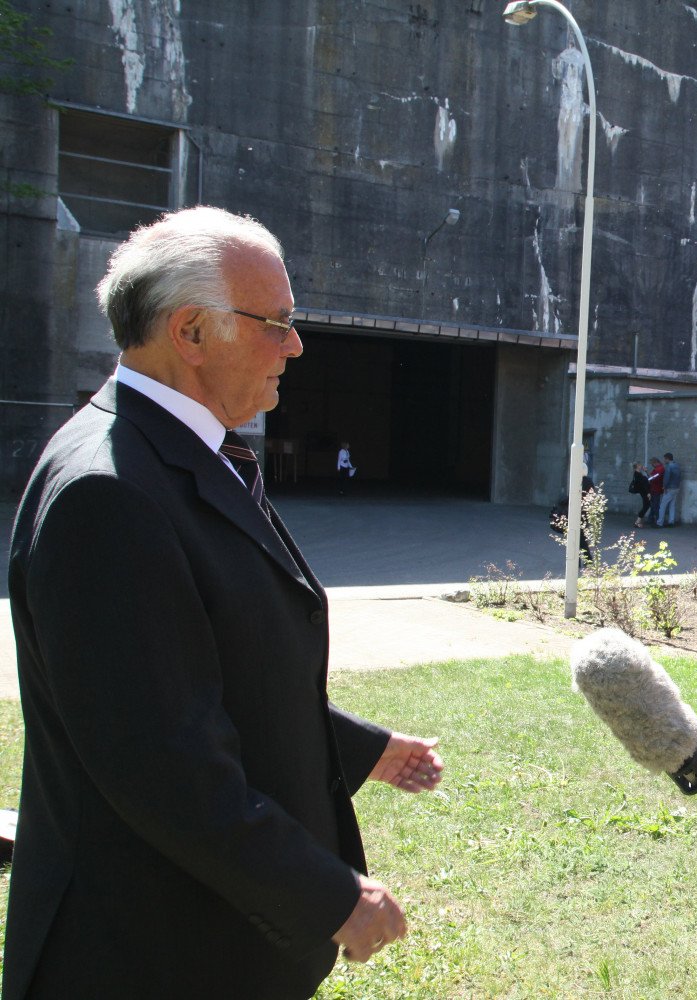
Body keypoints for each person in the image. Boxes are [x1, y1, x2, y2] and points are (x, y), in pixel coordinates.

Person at [5, 206, 445, 1000]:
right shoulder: (109, 493)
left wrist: (358, 747)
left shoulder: (174, 450)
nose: (297, 344)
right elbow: (161, 762)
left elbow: (205, 666)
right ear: (191, 333)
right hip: (145, 953)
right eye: (276, 322)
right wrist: (331, 896)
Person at [657, 451, 682, 526]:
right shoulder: (677, 465)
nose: (664, 461)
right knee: (672, 505)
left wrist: (664, 486)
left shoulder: (668, 466)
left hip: (670, 488)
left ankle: (659, 522)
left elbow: (666, 478)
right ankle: (671, 521)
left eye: (665, 459)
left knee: (662, 506)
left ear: (667, 459)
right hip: (676, 487)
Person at [628, 461, 651, 528]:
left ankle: (638, 521)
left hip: (644, 492)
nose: (641, 466)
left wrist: (646, 472)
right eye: (640, 465)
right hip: (644, 492)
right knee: (646, 506)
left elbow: (646, 481)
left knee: (647, 505)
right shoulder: (638, 474)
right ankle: (637, 522)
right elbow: (644, 485)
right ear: (637, 466)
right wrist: (648, 493)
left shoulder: (638, 474)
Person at [646, 455, 665, 527]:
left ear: (655, 462)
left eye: (652, 464)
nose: (652, 465)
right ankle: (651, 519)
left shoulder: (659, 469)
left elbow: (652, 478)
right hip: (655, 488)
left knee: (655, 505)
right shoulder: (658, 469)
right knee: (654, 505)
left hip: (656, 489)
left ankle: (657, 519)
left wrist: (646, 472)